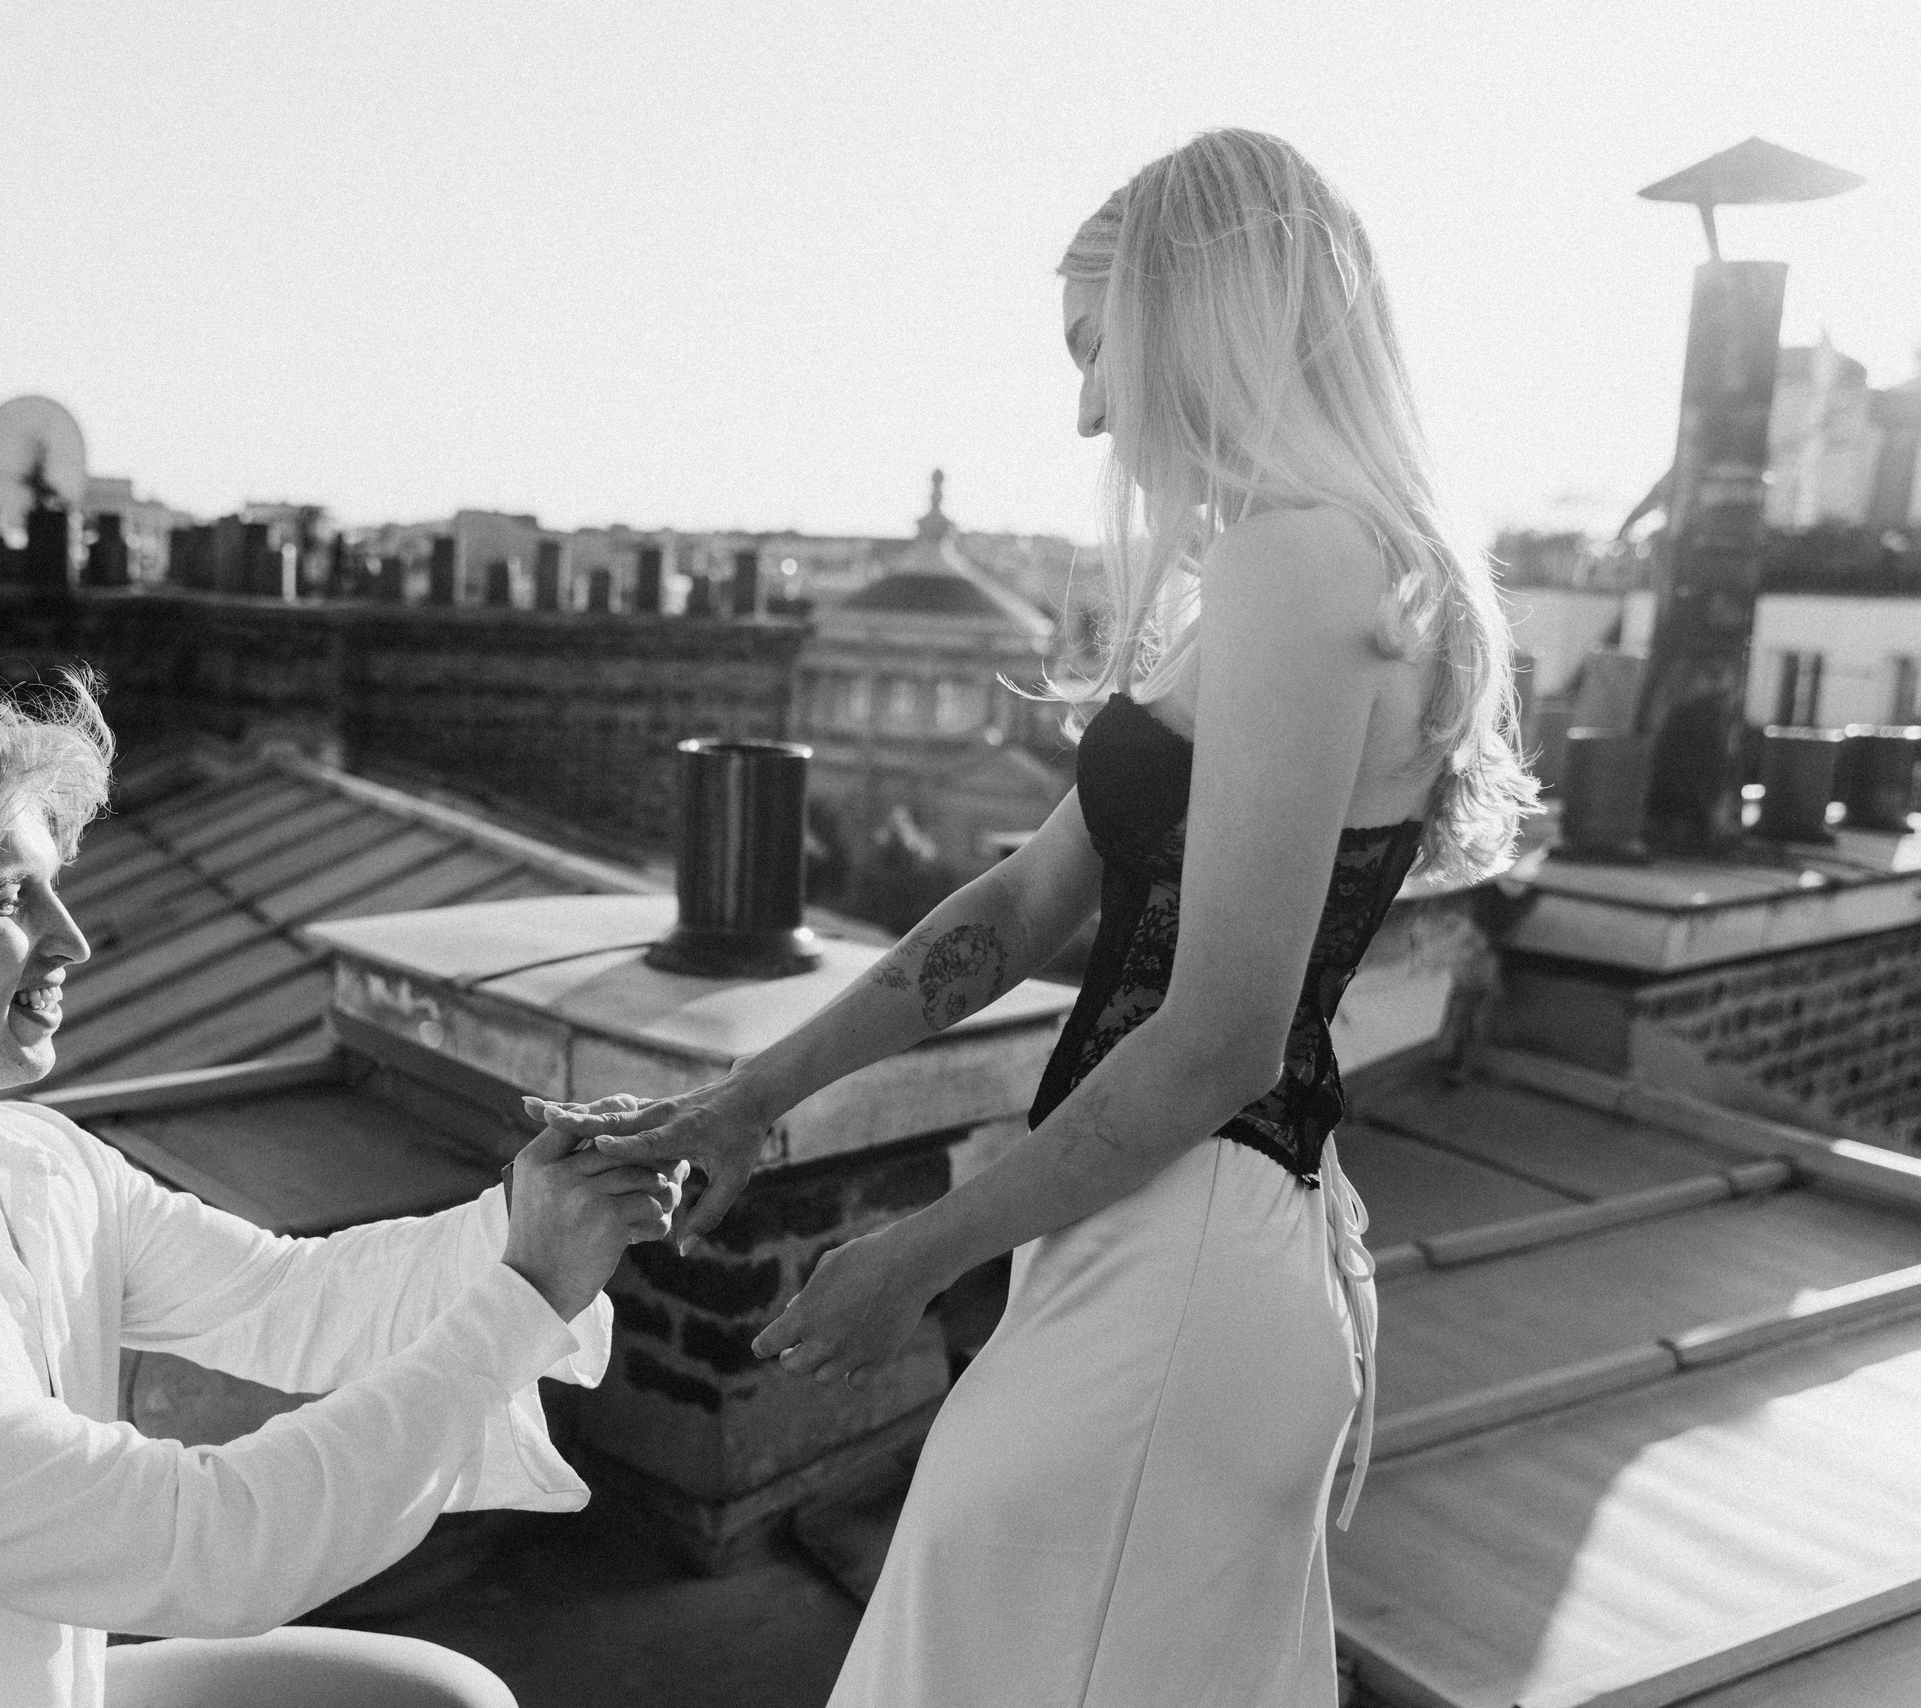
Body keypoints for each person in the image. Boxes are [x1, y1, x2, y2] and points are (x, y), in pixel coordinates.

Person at [545, 130, 1538, 1706]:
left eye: (1100, 353)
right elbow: (1023, 904)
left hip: (1187, 1254)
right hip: (1161, 1239)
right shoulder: (1294, 568)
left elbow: (1217, 1040)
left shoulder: (1308, 561)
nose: (1086, 408)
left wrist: (913, 1256)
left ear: (1202, 317)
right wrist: (746, 1103)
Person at [0, 661, 681, 1708]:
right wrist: (528, 1290)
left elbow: (294, 1299)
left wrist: (539, 1207)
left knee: (446, 1698)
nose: (70, 939)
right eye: (3, 902)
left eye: (52, 887)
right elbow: (209, 1546)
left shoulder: (36, 1165)